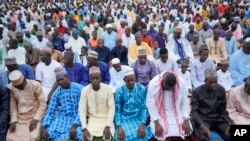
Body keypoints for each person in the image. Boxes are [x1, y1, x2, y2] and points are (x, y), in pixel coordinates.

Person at [146, 71, 192, 141]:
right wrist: (156, 122)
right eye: (167, 88)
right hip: (159, 112)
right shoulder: (153, 83)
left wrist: (186, 119)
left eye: (171, 88)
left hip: (176, 112)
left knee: (186, 130)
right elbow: (150, 104)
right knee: (159, 132)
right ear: (163, 81)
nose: (169, 89)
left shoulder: (181, 83)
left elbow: (185, 101)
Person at [41, 67, 83, 140]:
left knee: (79, 133)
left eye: (62, 79)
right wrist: (43, 126)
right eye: (58, 81)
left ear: (67, 77)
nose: (60, 82)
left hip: (77, 117)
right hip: (63, 118)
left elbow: (82, 109)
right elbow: (51, 111)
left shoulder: (79, 88)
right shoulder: (57, 92)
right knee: (49, 132)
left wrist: (75, 125)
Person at [6, 70, 47, 141]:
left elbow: (43, 103)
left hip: (34, 115)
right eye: (17, 87)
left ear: (24, 80)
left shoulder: (35, 85)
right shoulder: (12, 88)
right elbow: (13, 106)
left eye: (21, 86)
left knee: (34, 137)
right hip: (20, 118)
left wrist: (36, 119)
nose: (20, 88)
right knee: (10, 138)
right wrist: (13, 121)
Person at [191, 68, 230, 141]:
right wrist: (202, 126)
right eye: (211, 82)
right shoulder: (197, 91)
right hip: (203, 119)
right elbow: (194, 111)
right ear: (205, 81)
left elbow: (222, 109)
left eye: (215, 82)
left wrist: (229, 122)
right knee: (204, 138)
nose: (213, 85)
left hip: (217, 119)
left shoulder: (221, 89)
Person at [115, 68, 153, 141]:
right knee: (121, 136)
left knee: (142, 134)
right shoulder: (119, 91)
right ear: (124, 80)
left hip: (138, 118)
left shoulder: (141, 88)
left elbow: (144, 107)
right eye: (128, 81)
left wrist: (143, 123)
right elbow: (118, 109)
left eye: (132, 80)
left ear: (135, 78)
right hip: (124, 119)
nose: (131, 82)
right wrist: (119, 126)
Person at [79, 66, 115, 141]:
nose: (95, 80)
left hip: (106, 118)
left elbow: (112, 108)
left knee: (107, 138)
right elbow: (82, 109)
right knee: (86, 138)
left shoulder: (108, 89)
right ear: (89, 79)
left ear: (100, 78)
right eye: (92, 79)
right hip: (93, 119)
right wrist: (84, 128)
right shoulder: (85, 90)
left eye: (97, 78)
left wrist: (108, 125)